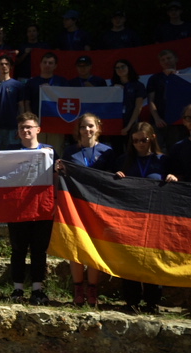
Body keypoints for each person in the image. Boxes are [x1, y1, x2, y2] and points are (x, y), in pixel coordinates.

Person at [55, 113, 117, 305]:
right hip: (76, 205)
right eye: (83, 126)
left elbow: (112, 177)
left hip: (98, 206)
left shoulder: (108, 151)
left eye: (90, 126)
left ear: (98, 127)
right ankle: (78, 290)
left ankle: (92, 291)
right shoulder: (70, 152)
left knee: (93, 247)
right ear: (78, 130)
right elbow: (64, 176)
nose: (87, 130)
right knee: (76, 246)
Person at [114, 121, 177, 312]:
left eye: (143, 140)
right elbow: (110, 185)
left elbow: (178, 181)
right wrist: (116, 177)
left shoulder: (163, 160)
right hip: (130, 218)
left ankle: (152, 301)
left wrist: (174, 178)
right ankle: (131, 300)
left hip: (155, 218)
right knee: (130, 257)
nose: (139, 144)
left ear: (152, 138)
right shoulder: (124, 160)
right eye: (135, 141)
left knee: (152, 258)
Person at [6, 113, 55, 305]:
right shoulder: (10, 152)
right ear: (18, 132)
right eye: (22, 128)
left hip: (42, 209)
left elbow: (57, 177)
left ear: (38, 129)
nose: (25, 130)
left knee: (39, 250)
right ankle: (17, 289)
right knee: (18, 250)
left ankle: (37, 290)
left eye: (29, 127)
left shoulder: (50, 152)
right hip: (17, 209)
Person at [148, 50, 186, 150]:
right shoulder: (155, 78)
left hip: (178, 122)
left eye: (169, 58)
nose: (166, 61)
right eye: (163, 60)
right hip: (160, 121)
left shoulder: (184, 78)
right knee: (157, 149)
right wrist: (157, 118)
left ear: (176, 59)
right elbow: (151, 100)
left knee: (177, 150)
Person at [113, 59, 147, 139]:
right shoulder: (113, 87)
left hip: (132, 124)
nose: (120, 69)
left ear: (129, 68)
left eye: (123, 66)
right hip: (116, 124)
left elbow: (138, 107)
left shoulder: (138, 85)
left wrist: (129, 126)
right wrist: (112, 90)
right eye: (117, 68)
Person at [170, 104, 191, 180]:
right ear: (184, 121)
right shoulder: (178, 148)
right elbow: (178, 174)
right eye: (189, 118)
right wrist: (174, 177)